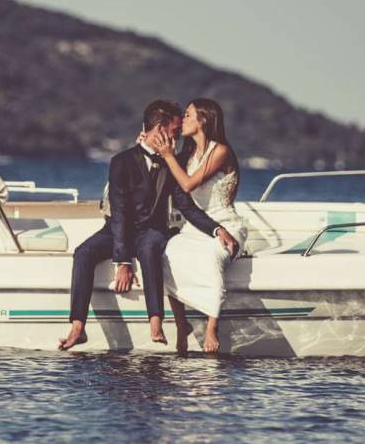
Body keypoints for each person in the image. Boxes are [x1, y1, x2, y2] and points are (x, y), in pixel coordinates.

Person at [60, 100, 240, 351]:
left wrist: (215, 229)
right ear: (159, 130)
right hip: (115, 231)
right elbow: (119, 213)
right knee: (83, 252)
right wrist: (122, 261)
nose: (177, 138)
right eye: (174, 132)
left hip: (150, 232)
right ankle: (78, 327)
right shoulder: (122, 161)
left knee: (151, 246)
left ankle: (156, 321)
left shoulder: (171, 163)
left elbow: (185, 204)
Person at [145, 98, 246, 353]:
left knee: (211, 255)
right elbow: (167, 170)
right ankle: (182, 324)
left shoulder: (220, 150)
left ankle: (212, 325)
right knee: (168, 253)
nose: (183, 120)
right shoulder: (188, 153)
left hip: (225, 222)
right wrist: (151, 147)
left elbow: (188, 184)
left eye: (188, 115)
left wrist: (168, 156)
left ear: (203, 119)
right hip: (196, 226)